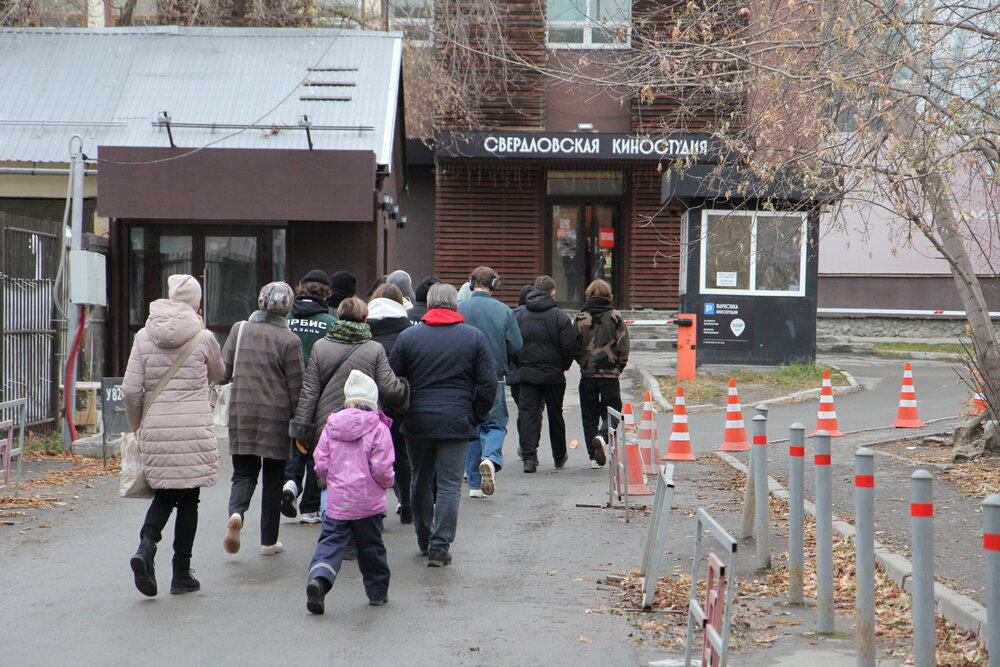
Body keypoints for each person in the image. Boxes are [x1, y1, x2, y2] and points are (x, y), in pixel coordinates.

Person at [123, 274, 224, 597]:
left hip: (156, 426)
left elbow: (129, 389)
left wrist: (136, 424)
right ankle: (181, 573)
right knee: (188, 500)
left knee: (164, 493)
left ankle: (146, 546)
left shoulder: (143, 335)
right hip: (193, 428)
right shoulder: (203, 336)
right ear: (197, 302)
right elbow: (219, 374)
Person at [389, 283, 495, 566]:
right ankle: (440, 544)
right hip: (456, 419)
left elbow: (392, 381)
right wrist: (476, 415)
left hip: (418, 420)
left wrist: (403, 413)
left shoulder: (408, 337)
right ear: (456, 306)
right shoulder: (473, 338)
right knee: (449, 484)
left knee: (420, 479)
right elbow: (487, 384)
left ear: (430, 305)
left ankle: (424, 537)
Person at [221, 282, 304, 557]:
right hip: (276, 417)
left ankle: (237, 514)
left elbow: (224, 370)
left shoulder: (239, 329)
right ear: (287, 308)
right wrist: (301, 422)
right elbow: (296, 387)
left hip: (241, 411)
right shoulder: (290, 340)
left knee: (243, 473)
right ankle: (269, 542)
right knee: (273, 479)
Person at [306, 370, 395, 614]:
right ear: (372, 401)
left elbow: (321, 462)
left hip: (338, 501)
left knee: (331, 543)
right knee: (371, 548)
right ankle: (377, 593)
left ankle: (320, 579)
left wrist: (330, 481)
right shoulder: (378, 428)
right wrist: (386, 484)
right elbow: (382, 467)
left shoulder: (331, 426)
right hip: (368, 502)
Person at [457, 266, 522, 497]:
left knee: (472, 427)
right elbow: (516, 345)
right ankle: (491, 459)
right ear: (494, 285)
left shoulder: (459, 308)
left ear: (471, 283)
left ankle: (474, 485)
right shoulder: (504, 311)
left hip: (464, 379)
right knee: (494, 423)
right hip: (494, 377)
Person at [282, 270, 337, 524]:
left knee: (296, 442)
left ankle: (291, 482)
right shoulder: (329, 322)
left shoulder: (285, 319)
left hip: (287, 391)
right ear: (326, 292)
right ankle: (310, 509)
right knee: (318, 447)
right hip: (320, 391)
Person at [514, 275, 577, 472]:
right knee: (555, 415)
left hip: (527, 374)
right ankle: (559, 456)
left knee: (528, 415)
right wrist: (562, 366)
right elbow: (569, 347)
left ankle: (529, 459)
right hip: (553, 375)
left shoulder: (519, 316)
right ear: (553, 292)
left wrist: (521, 364)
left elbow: (512, 344)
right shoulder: (560, 317)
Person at [366, 283, 415, 524]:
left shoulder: (364, 329)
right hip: (399, 399)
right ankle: (406, 503)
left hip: (370, 401)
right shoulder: (408, 330)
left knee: (371, 455)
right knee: (402, 454)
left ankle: (377, 509)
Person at [575, 279, 630, 469]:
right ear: (608, 295)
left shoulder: (581, 317)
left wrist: (582, 363)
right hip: (609, 375)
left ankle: (593, 458)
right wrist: (619, 367)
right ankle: (603, 436)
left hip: (587, 375)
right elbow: (623, 346)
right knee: (613, 411)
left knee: (589, 415)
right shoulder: (615, 317)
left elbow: (574, 345)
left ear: (588, 294)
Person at [508, 284, 533, 460]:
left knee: (522, 410)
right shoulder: (536, 315)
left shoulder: (513, 315)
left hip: (515, 371)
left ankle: (524, 444)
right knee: (533, 411)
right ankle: (528, 444)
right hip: (533, 369)